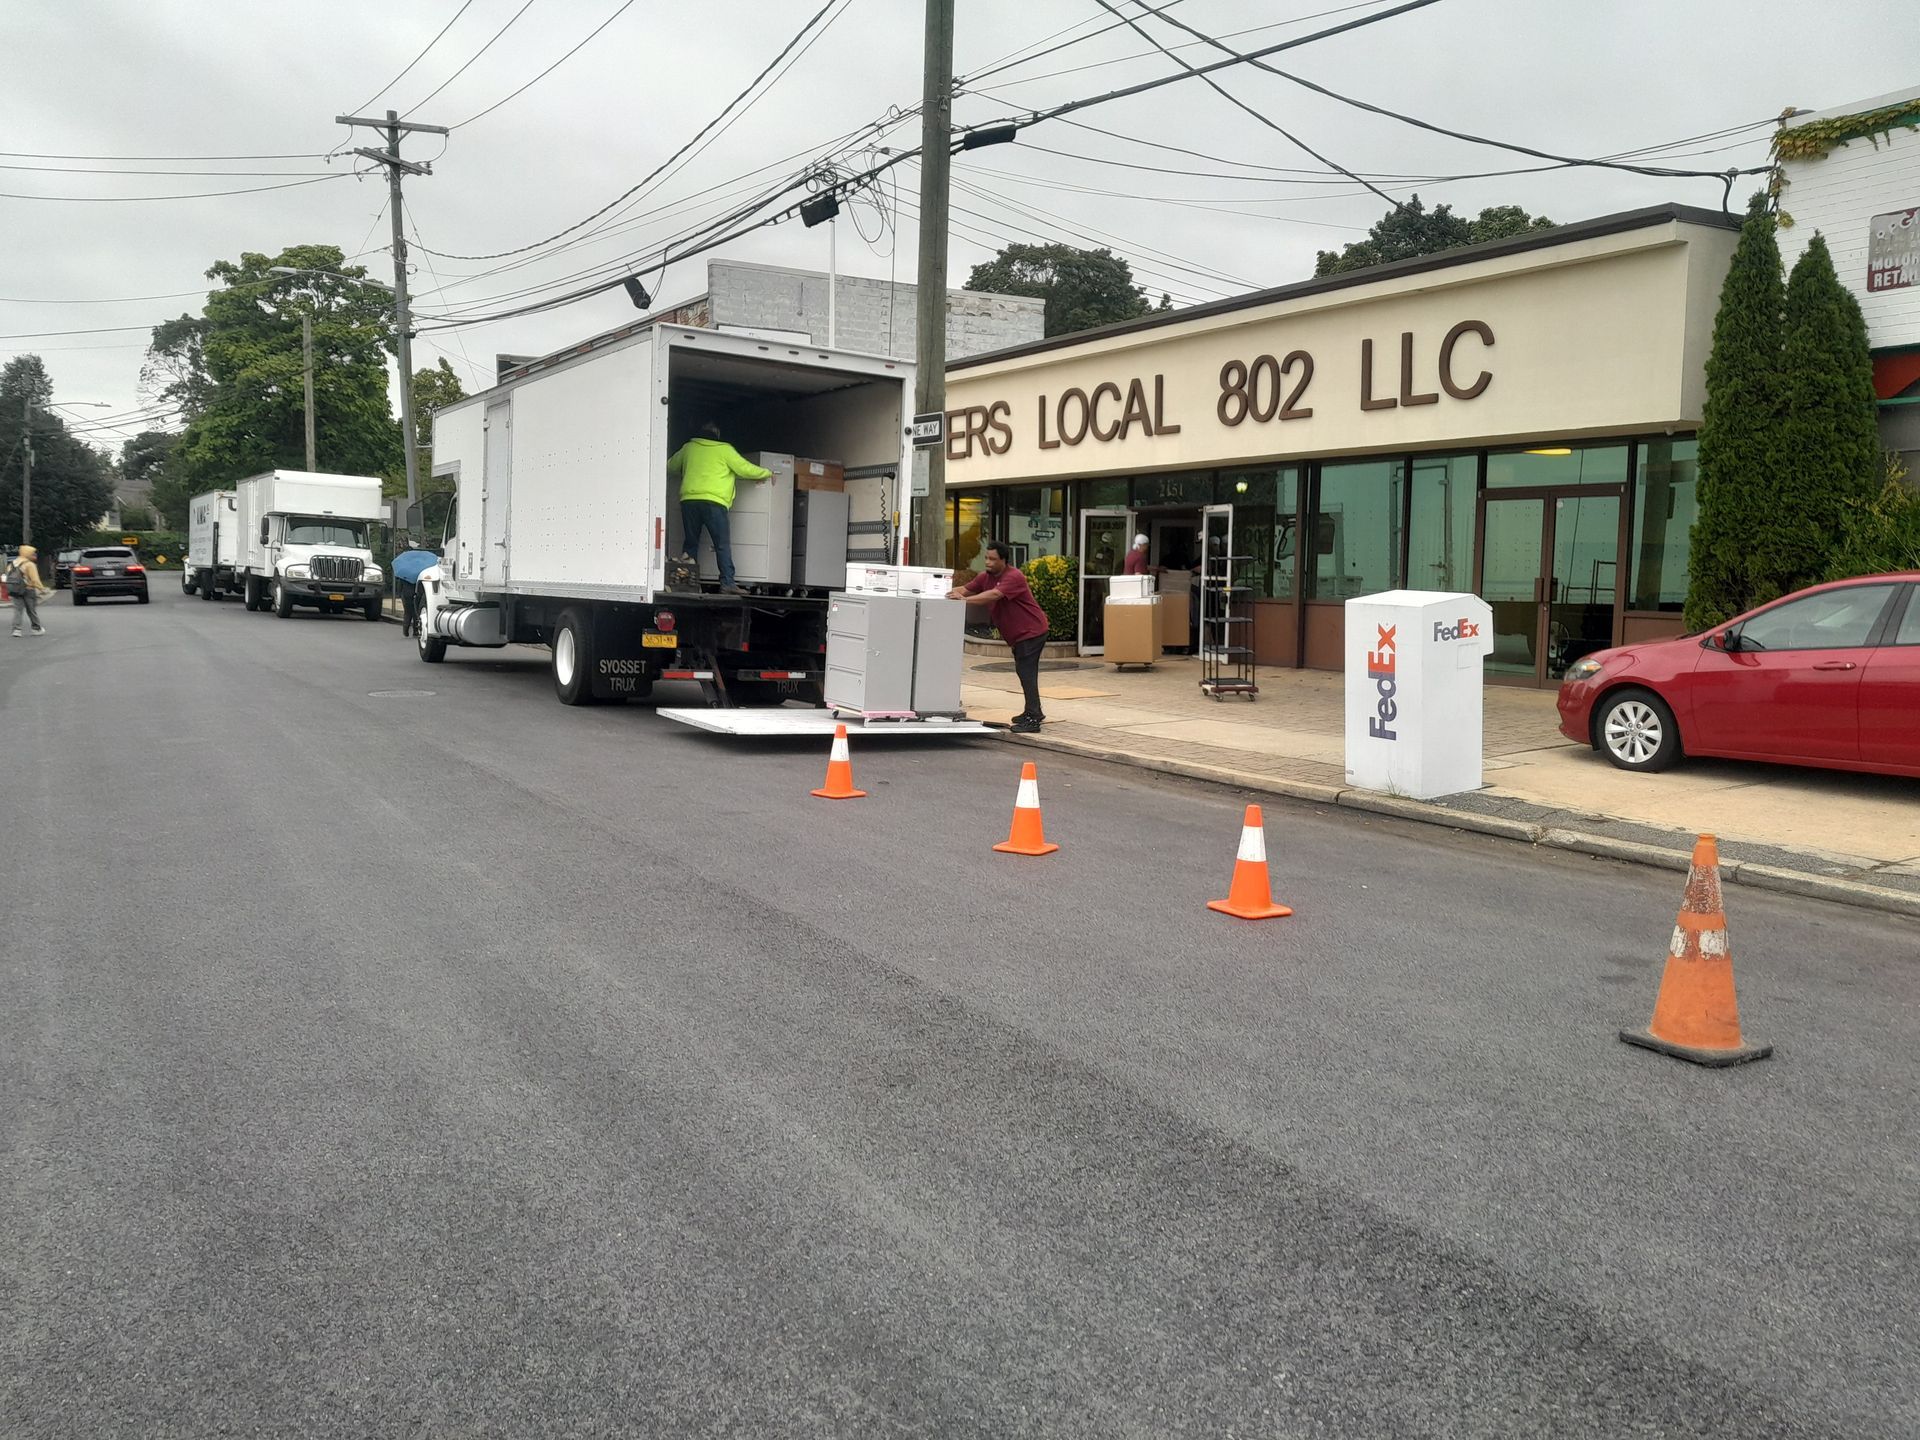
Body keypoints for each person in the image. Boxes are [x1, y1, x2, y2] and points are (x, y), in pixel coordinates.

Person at [948, 539, 1052, 734]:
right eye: (986, 558)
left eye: (992, 559)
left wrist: (964, 600)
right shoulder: (984, 577)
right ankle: (1033, 712)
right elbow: (964, 589)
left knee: (1026, 673)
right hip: (1019, 635)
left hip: (1031, 631)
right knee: (1024, 673)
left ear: (1004, 560)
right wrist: (941, 591)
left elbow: (994, 595)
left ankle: (1032, 719)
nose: (988, 562)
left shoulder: (1014, 576)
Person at [667, 420, 771, 595]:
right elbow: (745, 469)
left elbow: (670, 466)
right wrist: (767, 472)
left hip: (689, 501)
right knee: (721, 544)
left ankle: (686, 584)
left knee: (691, 544)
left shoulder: (689, 448)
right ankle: (727, 583)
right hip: (714, 503)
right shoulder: (725, 449)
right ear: (717, 435)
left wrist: (690, 468)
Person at [6, 544, 51, 638]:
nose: (34, 555)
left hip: (15, 589)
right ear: (28, 553)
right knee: (31, 610)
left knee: (18, 610)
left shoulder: (12, 564)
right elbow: (35, 579)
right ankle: (36, 628)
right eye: (32, 553)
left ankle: (16, 630)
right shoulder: (29, 564)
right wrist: (42, 589)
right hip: (28, 589)